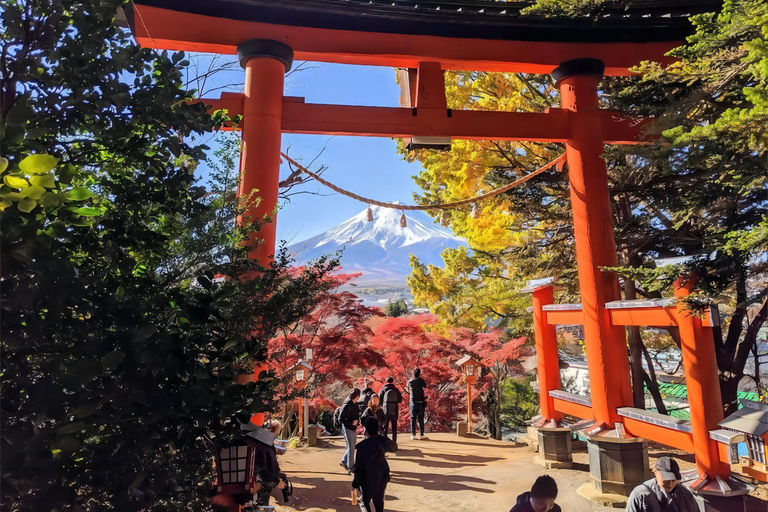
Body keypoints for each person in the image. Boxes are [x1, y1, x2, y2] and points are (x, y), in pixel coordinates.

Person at [352, 416, 398, 512]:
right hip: (382, 474)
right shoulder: (382, 440)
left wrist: (355, 484)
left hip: (367, 477)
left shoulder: (362, 446)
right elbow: (394, 447)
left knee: (366, 501)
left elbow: (359, 467)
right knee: (379, 501)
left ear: (366, 429)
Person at [626, 457, 698, 512]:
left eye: (673, 480)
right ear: (655, 472)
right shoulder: (640, 495)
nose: (670, 484)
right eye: (666, 480)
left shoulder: (685, 494)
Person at [251, 420, 287, 506]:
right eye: (276, 433)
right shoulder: (260, 445)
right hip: (258, 485)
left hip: (265, 483)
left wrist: (279, 474)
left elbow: (273, 463)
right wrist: (277, 482)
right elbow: (261, 473)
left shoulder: (268, 443)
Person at [339, 388, 361, 473]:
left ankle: (344, 461)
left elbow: (357, 415)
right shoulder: (347, 405)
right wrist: (351, 423)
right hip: (347, 427)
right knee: (351, 447)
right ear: (357, 396)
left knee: (352, 446)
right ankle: (351, 467)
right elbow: (341, 419)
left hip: (353, 427)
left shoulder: (356, 405)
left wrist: (357, 422)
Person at [378, 376, 403, 442]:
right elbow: (400, 400)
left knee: (385, 427)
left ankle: (385, 443)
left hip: (385, 410)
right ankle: (394, 443)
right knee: (394, 428)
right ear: (393, 381)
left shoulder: (383, 389)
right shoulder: (396, 389)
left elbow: (379, 400)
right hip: (394, 410)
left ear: (386, 381)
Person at [407, 368, 427, 440]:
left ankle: (413, 434)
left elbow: (408, 388)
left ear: (413, 374)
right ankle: (421, 434)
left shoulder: (410, 382)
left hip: (413, 401)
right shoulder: (421, 381)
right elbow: (425, 386)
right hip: (421, 402)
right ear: (419, 374)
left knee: (413, 418)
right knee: (421, 419)